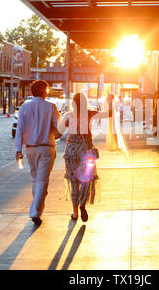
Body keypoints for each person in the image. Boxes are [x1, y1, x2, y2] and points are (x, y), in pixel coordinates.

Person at [57, 93, 112, 222]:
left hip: (71, 152)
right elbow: (108, 114)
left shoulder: (68, 116)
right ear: (84, 103)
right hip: (86, 151)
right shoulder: (89, 113)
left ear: (73, 103)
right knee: (87, 179)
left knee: (74, 182)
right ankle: (82, 205)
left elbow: (58, 131)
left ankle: (75, 213)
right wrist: (108, 101)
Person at [15, 80, 60, 226]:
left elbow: (19, 130)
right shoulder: (51, 107)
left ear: (31, 92)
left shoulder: (24, 107)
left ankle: (37, 208)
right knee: (42, 180)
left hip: (30, 149)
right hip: (46, 148)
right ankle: (35, 211)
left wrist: (18, 150)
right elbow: (59, 128)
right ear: (44, 91)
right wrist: (55, 134)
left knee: (35, 179)